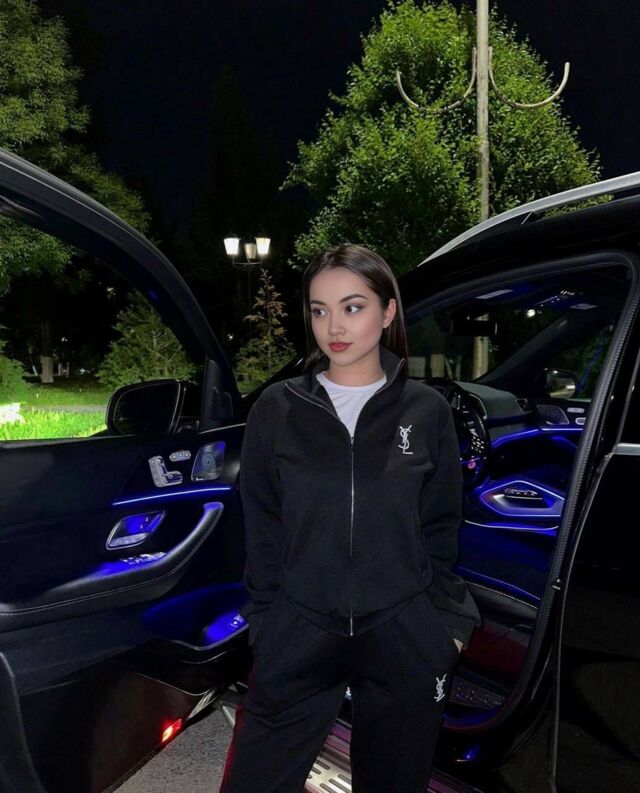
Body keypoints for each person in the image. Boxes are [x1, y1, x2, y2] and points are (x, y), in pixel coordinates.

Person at [219, 244, 481, 793]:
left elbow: (440, 527)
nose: (333, 327)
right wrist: (267, 622)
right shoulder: (277, 408)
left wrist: (446, 629)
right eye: (319, 310)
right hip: (301, 624)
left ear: (388, 312)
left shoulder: (426, 411)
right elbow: (262, 526)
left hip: (402, 626)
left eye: (353, 307)